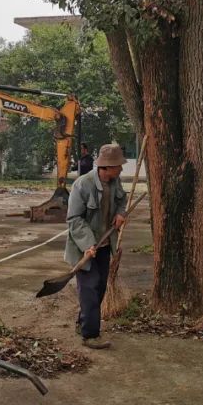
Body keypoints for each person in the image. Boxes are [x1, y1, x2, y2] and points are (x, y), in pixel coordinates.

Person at [65, 143, 127, 349]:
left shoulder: (115, 181)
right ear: (106, 167)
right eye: (118, 165)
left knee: (99, 287)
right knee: (89, 288)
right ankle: (90, 335)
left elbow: (122, 200)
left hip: (104, 244)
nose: (121, 169)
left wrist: (120, 213)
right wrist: (88, 244)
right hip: (85, 247)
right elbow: (74, 218)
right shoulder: (83, 185)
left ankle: (83, 321)